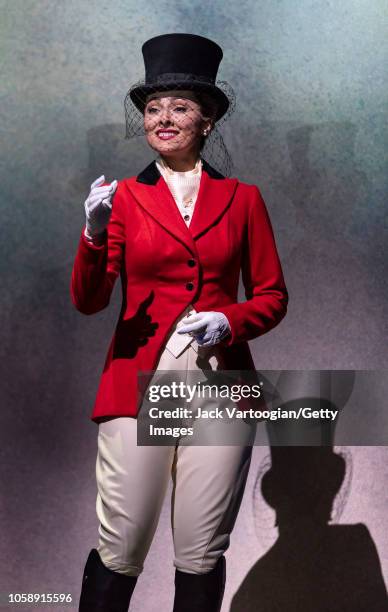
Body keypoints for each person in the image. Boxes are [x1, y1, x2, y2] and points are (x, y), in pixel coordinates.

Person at [71, 33, 288, 612]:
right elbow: (90, 300)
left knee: (200, 550)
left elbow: (272, 295)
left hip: (219, 386)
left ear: (208, 120)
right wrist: (93, 235)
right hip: (138, 382)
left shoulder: (243, 198)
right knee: (122, 543)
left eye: (180, 107)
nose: (163, 119)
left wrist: (230, 321)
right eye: (152, 109)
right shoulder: (121, 199)